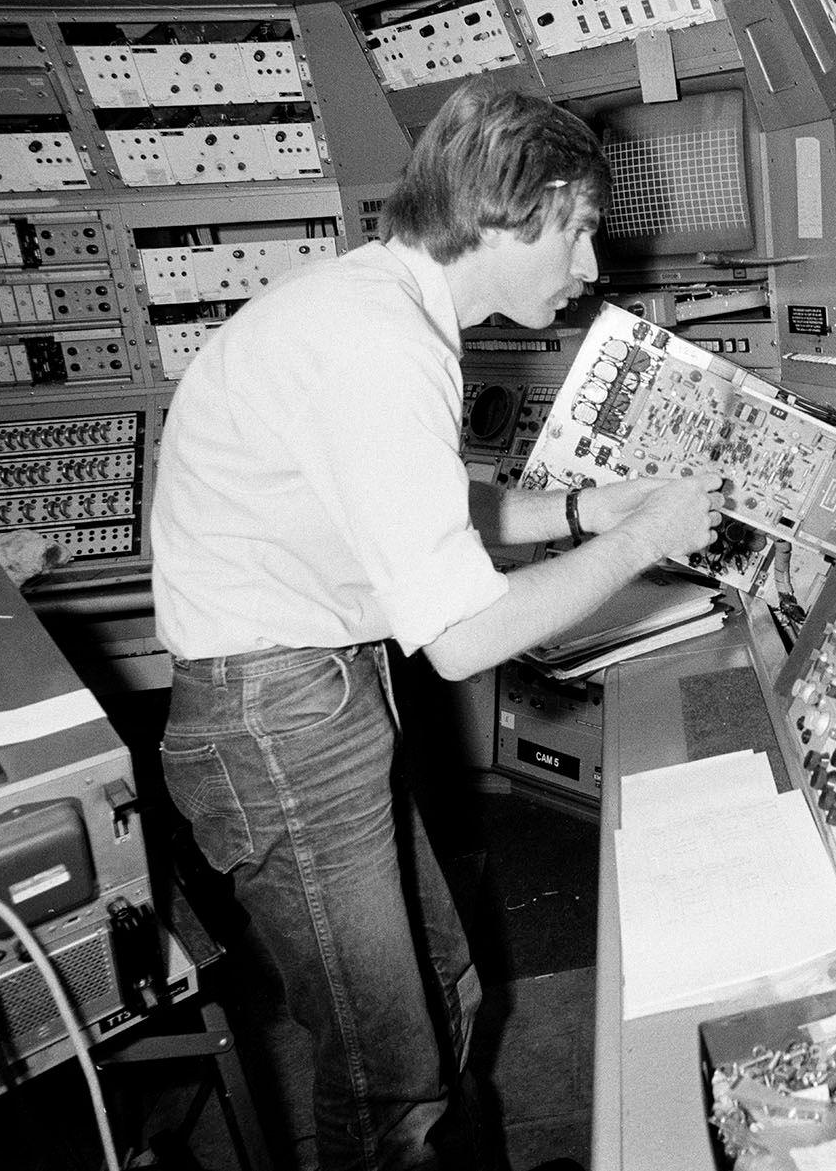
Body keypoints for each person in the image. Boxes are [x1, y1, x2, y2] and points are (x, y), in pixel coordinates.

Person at [149, 78, 721, 1170]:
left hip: (306, 696)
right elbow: (460, 637)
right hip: (279, 718)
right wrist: (645, 543)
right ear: (522, 209)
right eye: (583, 231)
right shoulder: (381, 340)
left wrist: (593, 509)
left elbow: (422, 512)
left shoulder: (378, 307)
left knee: (443, 980)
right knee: (386, 1073)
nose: (591, 268)